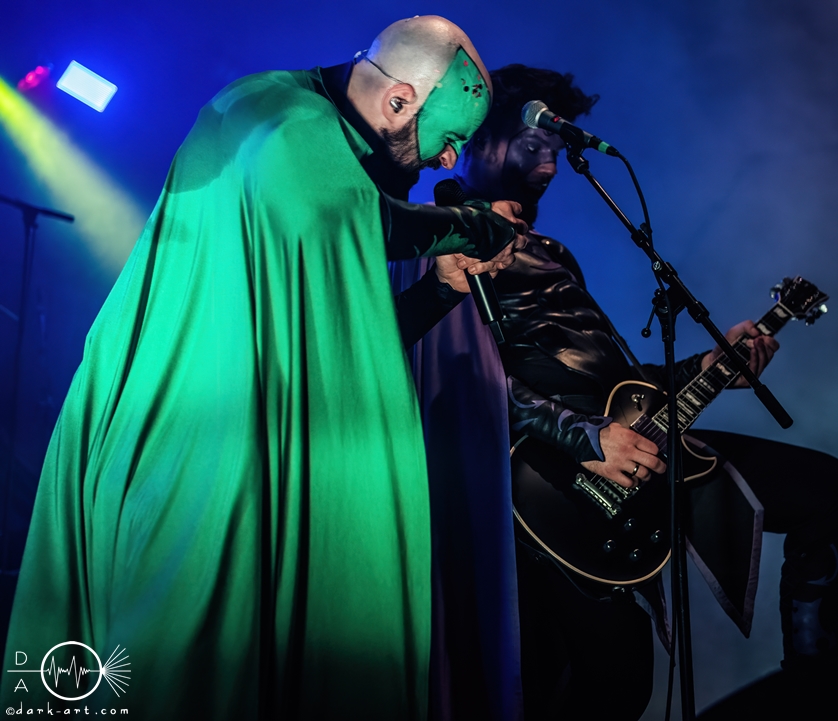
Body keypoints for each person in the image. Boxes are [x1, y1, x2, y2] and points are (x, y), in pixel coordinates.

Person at [0, 16, 529, 720]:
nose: (448, 161)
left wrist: (438, 290)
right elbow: (376, 219)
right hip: (192, 461)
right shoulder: (282, 121)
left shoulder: (310, 149)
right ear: (400, 100)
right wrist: (480, 226)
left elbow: (334, 354)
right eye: (449, 138)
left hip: (227, 451)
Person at [448, 64, 838, 720]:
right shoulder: (446, 238)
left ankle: (814, 694)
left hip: (632, 446)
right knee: (610, 684)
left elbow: (611, 381)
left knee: (829, 491)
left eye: (555, 151)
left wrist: (710, 363)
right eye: (532, 146)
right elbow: (463, 377)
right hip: (552, 476)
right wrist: (585, 438)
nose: (549, 167)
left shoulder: (551, 250)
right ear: (477, 140)